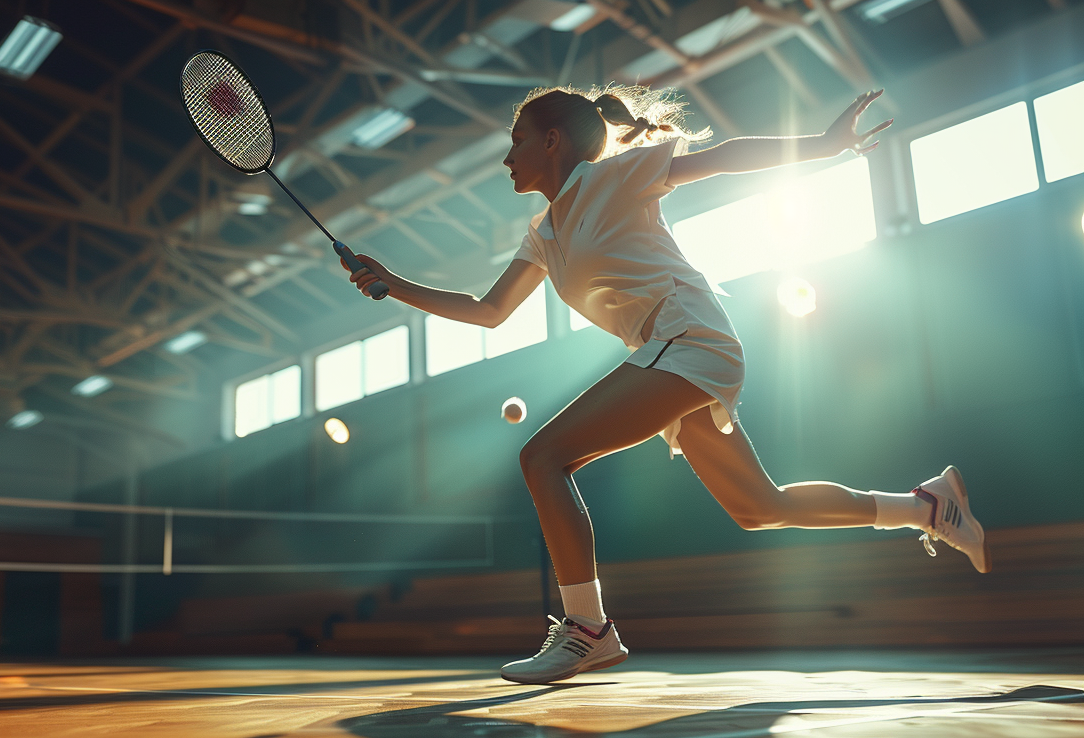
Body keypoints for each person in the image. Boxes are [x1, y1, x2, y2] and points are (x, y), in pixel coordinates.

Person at [343, 84, 989, 685]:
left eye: (518, 140)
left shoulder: (615, 176)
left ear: (552, 141)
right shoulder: (543, 235)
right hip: (665, 354)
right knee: (760, 507)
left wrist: (820, 146)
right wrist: (392, 283)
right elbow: (488, 310)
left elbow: (724, 157)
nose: (507, 156)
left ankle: (588, 629)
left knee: (543, 457)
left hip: (689, 338)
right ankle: (927, 507)